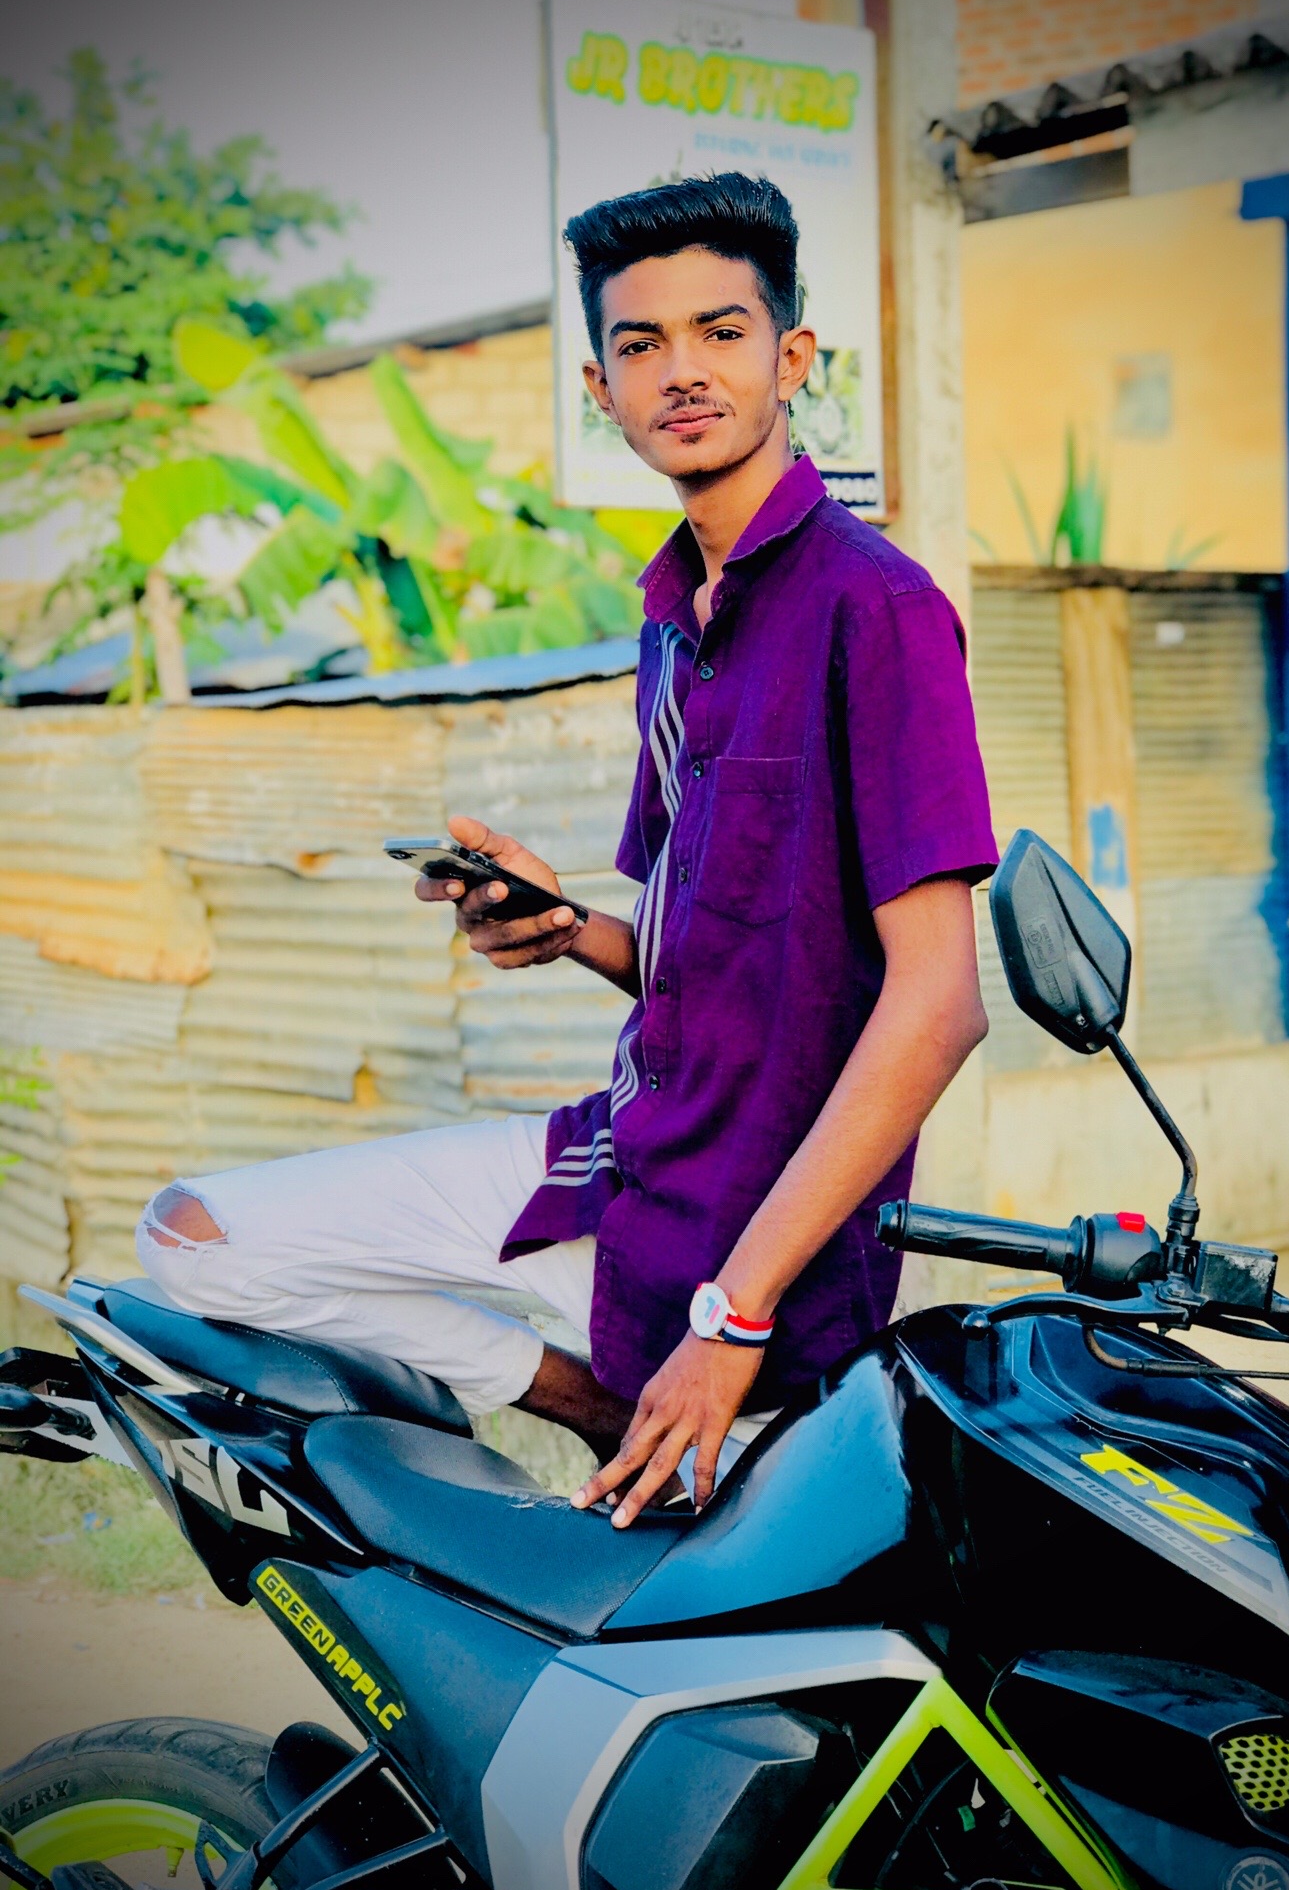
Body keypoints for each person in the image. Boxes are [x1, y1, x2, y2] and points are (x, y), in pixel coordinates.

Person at [136, 172, 996, 1527]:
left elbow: (938, 1003)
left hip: (753, 1229)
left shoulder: (875, 609)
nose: (683, 371)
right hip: (623, 1159)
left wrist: (732, 1317)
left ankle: (682, 1429)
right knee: (192, 1239)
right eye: (642, 344)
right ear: (602, 390)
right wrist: (560, 924)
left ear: (793, 359)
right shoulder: (671, 621)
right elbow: (712, 965)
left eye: (721, 332)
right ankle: (598, 1408)